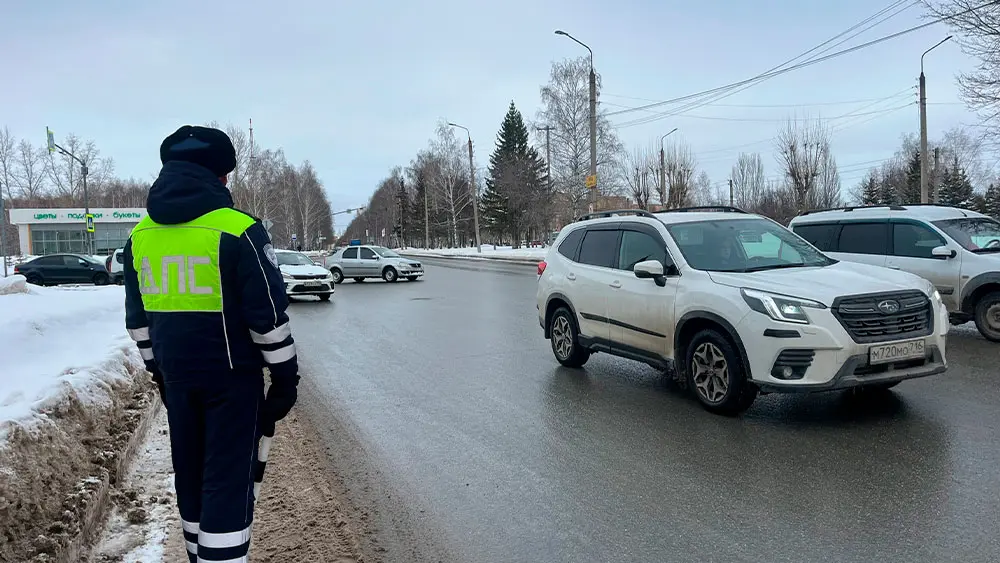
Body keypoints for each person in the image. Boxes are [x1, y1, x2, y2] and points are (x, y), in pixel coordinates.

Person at [124, 125, 299, 563]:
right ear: (221, 177)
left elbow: (138, 322)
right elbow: (268, 319)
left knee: (190, 473)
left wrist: (159, 373)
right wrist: (284, 379)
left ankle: (196, 555)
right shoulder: (238, 231)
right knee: (227, 478)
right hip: (232, 381)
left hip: (179, 380)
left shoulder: (140, 236)